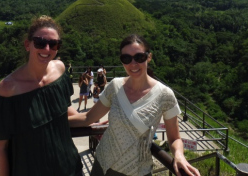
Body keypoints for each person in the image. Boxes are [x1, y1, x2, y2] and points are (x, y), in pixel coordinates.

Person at [69, 34, 200, 176]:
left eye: (139, 57)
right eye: (126, 58)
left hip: (135, 171)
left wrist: (179, 155)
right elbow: (88, 118)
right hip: (102, 163)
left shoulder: (165, 95)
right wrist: (51, 122)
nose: (133, 64)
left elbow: (174, 138)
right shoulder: (115, 86)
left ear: (149, 57)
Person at [0, 15, 82, 176]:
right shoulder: (9, 88)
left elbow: (67, 112)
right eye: (40, 42)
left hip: (69, 168)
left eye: (54, 44)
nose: (46, 49)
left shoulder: (59, 70)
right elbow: (0, 147)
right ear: (27, 45)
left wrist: (101, 116)